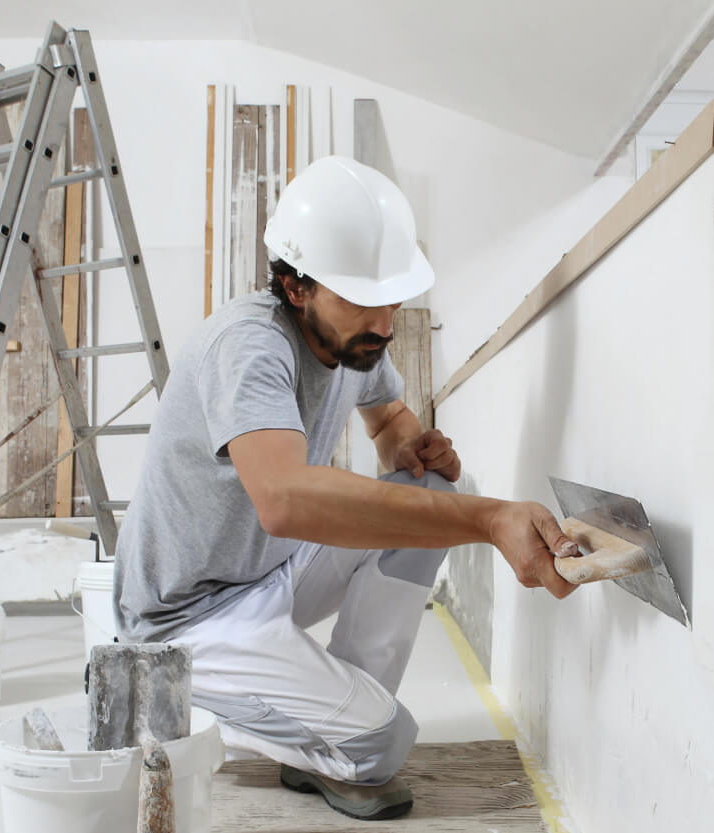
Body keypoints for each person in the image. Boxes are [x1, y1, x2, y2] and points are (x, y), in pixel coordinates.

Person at [113, 155, 579, 821]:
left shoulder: (354, 341)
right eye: (366, 298)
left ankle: (333, 722)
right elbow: (283, 499)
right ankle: (161, 697)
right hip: (185, 619)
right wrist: (490, 519)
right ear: (297, 287)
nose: (386, 322)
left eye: (393, 297)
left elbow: (386, 418)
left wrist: (409, 446)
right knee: (382, 746)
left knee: (437, 493)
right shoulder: (250, 347)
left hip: (263, 576)